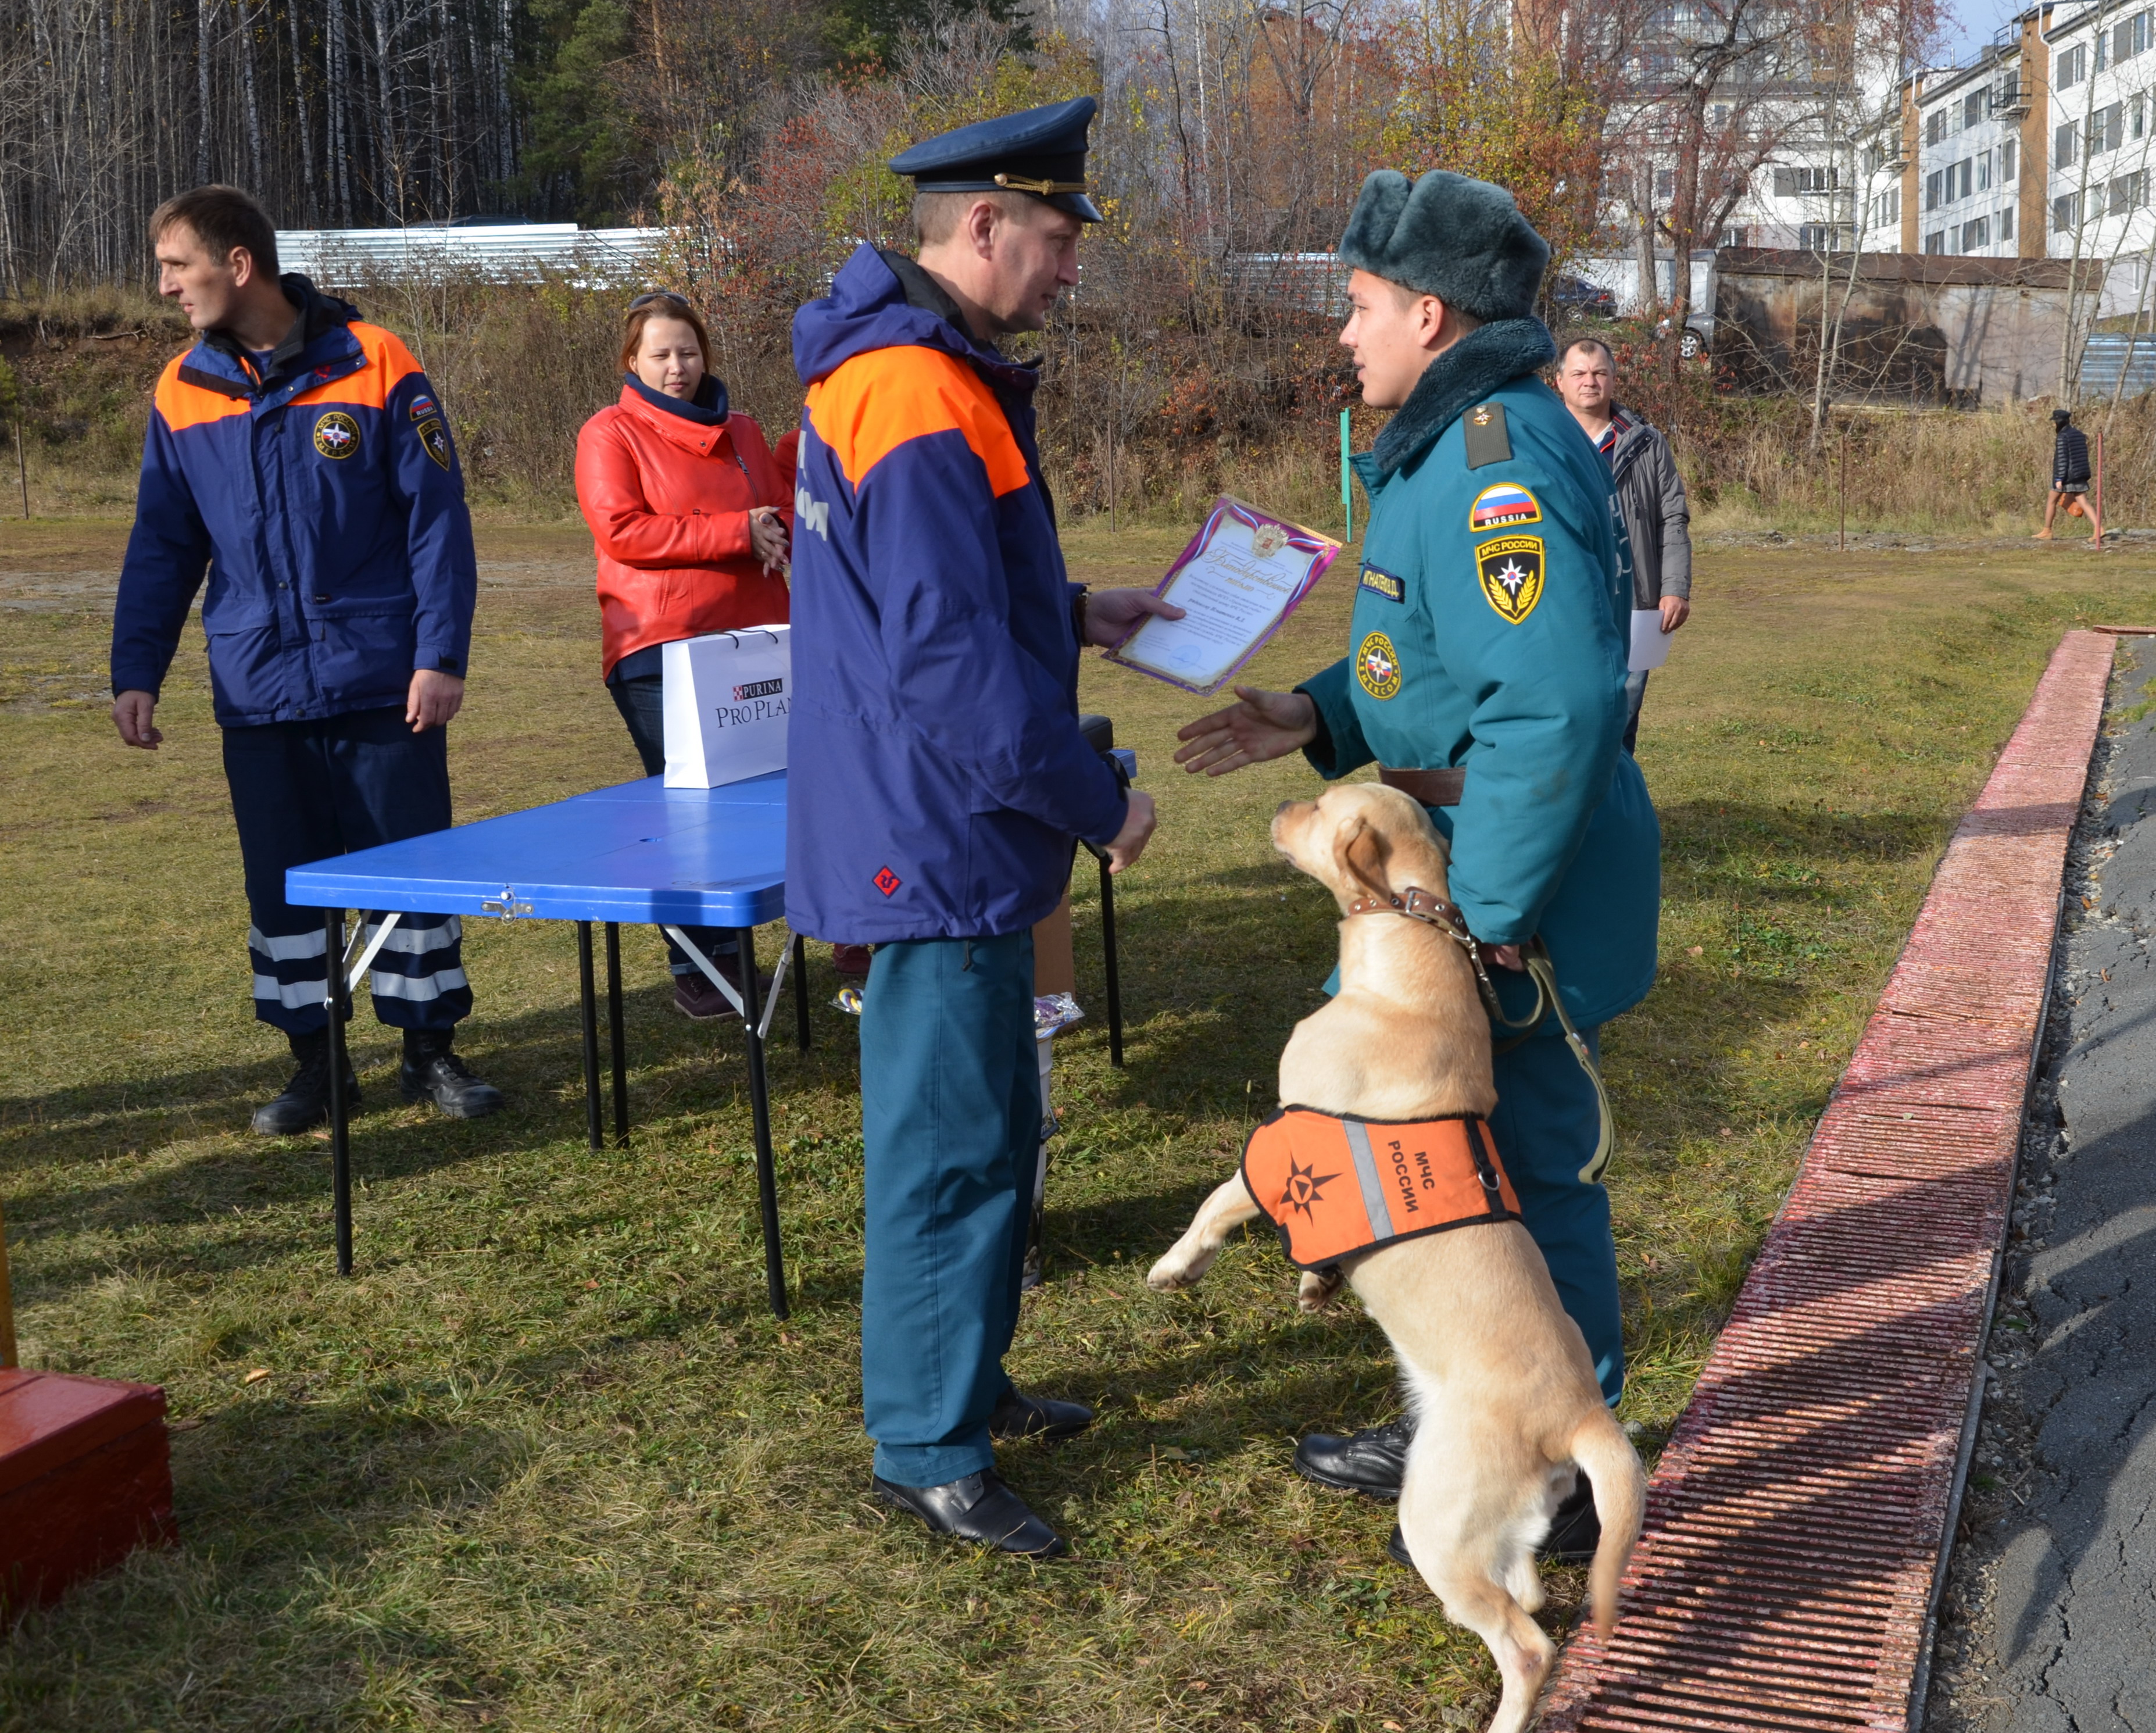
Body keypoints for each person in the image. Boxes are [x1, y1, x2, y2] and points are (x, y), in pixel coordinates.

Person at [1172, 169, 1661, 1559]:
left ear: (1429, 311)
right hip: (1458, 869)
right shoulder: (1448, 440)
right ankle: (1474, 1406)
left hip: (1506, 877)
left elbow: (1551, 707)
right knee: (1458, 1170)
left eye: (1361, 303)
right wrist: (1315, 710)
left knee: (1528, 1164)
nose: (1344, 330)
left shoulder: (1492, 457)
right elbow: (1435, 654)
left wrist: (1486, 917)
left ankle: (1560, 1462)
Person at [783, 96, 1181, 1559]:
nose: (1071, 267)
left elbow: (938, 598)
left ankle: (968, 1379)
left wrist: (1081, 610)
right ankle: (926, 1445)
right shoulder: (912, 387)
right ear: (982, 226)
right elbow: (946, 666)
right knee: (949, 1144)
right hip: (934, 828)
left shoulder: (930, 373)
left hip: (945, 819)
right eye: (1060, 239)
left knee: (998, 1123)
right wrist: (1101, 806)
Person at [111, 185, 504, 1132]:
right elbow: (163, 545)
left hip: (383, 679)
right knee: (283, 885)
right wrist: (137, 669)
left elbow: (436, 522)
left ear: (236, 264)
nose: (164, 286)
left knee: (409, 868)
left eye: (177, 265)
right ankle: (316, 1066)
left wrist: (439, 652)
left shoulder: (376, 362)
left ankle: (429, 1052)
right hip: (259, 689)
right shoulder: (181, 390)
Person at [574, 291, 794, 1019]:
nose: (678, 366)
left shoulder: (745, 430)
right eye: (661, 354)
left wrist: (770, 524)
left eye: (689, 351)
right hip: (659, 646)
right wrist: (736, 531)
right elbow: (622, 531)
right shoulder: (610, 433)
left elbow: (781, 511)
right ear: (631, 361)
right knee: (688, 813)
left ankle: (760, 951)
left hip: (756, 640)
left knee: (759, 800)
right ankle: (699, 968)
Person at [1556, 336, 1691, 751]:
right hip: (1560, 602)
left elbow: (1672, 518)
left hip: (1634, 605)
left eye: (1599, 372)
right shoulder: (1541, 440)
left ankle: (1616, 809)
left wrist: (1674, 588)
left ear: (1614, 379)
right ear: (1559, 380)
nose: (1589, 381)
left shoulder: (1647, 443)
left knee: (1622, 717)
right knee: (1566, 716)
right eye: (1579, 373)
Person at [2039, 406, 2105, 546]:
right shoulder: (2079, 434)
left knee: (2051, 501)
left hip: (2067, 476)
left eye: (2054, 422)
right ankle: (2099, 528)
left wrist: (2059, 479)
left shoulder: (2062, 437)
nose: (2053, 424)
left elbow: (2062, 459)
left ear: (2059, 422)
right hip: (2079, 474)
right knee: (2084, 503)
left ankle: (2047, 531)